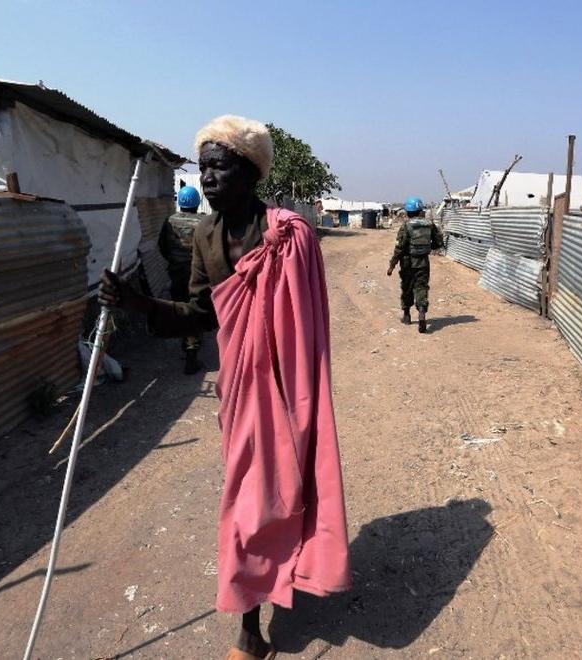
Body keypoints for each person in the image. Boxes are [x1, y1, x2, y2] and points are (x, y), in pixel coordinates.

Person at [99, 115, 351, 660]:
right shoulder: (205, 235)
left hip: (290, 384)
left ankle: (291, 576)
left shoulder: (289, 234)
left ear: (252, 172)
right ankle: (251, 627)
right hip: (239, 386)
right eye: (203, 167)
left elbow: (309, 321)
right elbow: (200, 312)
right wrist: (137, 302)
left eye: (220, 167)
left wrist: (300, 385)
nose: (208, 178)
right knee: (248, 499)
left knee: (290, 486)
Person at [158, 184, 204, 373]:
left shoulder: (169, 221)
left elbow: (162, 246)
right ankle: (192, 355)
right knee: (195, 312)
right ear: (197, 202)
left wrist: (174, 261)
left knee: (181, 310)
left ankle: (186, 344)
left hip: (177, 275)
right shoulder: (204, 222)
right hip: (198, 277)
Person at [386, 196, 443, 333]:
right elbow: (438, 242)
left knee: (407, 287)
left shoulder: (406, 226)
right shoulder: (430, 224)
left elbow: (399, 248)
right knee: (421, 287)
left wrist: (392, 265)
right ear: (420, 210)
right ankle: (422, 312)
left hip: (407, 263)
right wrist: (428, 247)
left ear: (407, 212)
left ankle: (406, 316)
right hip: (423, 262)